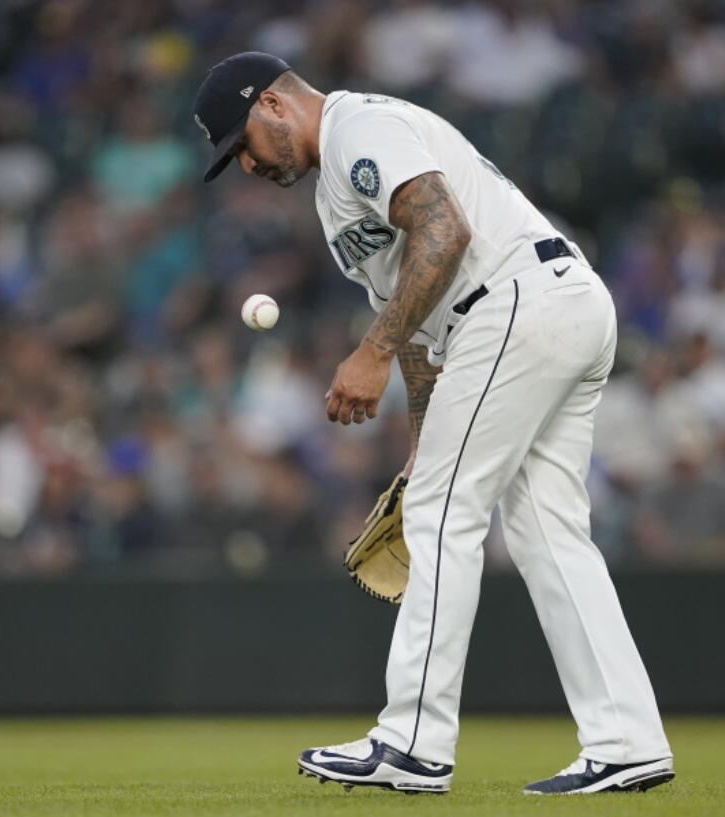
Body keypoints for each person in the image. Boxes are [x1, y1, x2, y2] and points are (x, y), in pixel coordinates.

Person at [192, 52, 673, 796]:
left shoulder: (360, 126)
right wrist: (421, 445)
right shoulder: (334, 192)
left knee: (445, 516)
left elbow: (444, 233)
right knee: (546, 531)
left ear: (275, 107)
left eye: (241, 146)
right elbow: (421, 329)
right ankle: (627, 739)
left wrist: (368, 351)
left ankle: (413, 742)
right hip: (545, 308)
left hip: (514, 303)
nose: (247, 167)